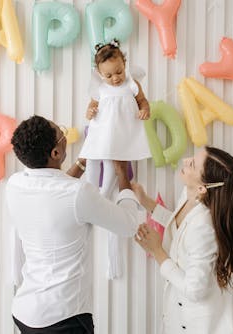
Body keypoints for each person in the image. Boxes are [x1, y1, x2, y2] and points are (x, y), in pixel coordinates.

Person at [6, 115, 141, 333]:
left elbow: (55, 192)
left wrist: (80, 163)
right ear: (56, 153)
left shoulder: (14, 184)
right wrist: (122, 174)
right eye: (61, 134)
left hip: (25, 312)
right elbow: (129, 224)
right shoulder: (78, 193)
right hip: (63, 319)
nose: (64, 135)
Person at [133, 146, 233, 334]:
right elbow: (179, 226)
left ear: (202, 188)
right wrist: (146, 202)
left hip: (199, 325)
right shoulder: (189, 195)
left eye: (193, 164)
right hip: (177, 316)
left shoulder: (204, 226)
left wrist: (157, 251)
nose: (186, 160)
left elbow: (195, 290)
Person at [79, 39, 151, 279]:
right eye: (109, 75)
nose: (115, 78)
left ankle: (100, 200)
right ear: (99, 74)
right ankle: (90, 193)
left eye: (119, 71)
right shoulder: (100, 88)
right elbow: (92, 105)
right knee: (91, 168)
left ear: (125, 65)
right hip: (99, 137)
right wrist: (90, 111)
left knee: (109, 179)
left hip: (117, 142)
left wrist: (144, 110)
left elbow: (143, 102)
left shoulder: (132, 84)